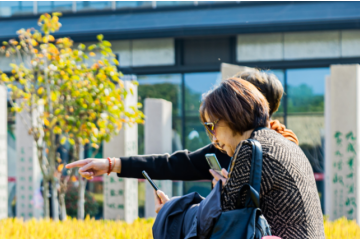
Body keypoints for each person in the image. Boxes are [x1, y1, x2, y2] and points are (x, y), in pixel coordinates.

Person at [195, 77, 341, 239]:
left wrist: (219, 190)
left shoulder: (251, 150)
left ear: (232, 115)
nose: (213, 138)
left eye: (212, 126)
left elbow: (224, 223)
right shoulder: (284, 144)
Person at [66, 69, 297, 187]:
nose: (214, 135)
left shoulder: (275, 150)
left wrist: (228, 192)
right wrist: (110, 165)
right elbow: (174, 164)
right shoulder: (230, 144)